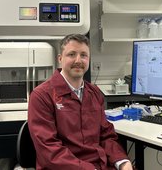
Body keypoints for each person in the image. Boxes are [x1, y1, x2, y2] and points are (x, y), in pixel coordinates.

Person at [28, 34, 133, 170]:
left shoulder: (94, 93)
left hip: (98, 165)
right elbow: (49, 149)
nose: (78, 60)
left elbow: (106, 135)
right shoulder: (42, 96)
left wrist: (122, 161)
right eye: (71, 54)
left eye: (83, 55)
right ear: (60, 59)